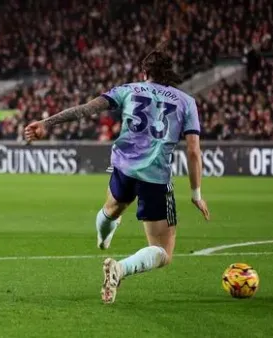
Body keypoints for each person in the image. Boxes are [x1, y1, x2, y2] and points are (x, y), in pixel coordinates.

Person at [24, 47, 210, 304]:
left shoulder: (128, 89)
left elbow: (86, 110)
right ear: (170, 74)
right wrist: (196, 194)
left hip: (124, 168)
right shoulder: (186, 101)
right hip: (156, 177)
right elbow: (193, 150)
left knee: (111, 210)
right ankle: (120, 269)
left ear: (145, 72)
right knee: (162, 252)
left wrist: (47, 123)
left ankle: (103, 236)